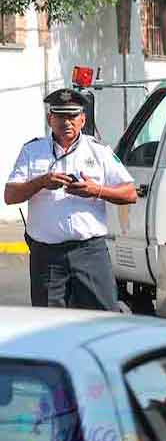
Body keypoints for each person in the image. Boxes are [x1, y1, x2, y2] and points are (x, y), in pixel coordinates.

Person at [4, 87, 137, 310]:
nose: (67, 122)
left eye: (73, 115)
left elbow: (130, 193)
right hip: (47, 256)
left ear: (83, 119)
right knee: (49, 324)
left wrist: (95, 190)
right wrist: (41, 182)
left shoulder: (98, 151)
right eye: (60, 115)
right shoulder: (32, 151)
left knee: (102, 318)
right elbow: (10, 196)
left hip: (89, 252)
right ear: (50, 119)